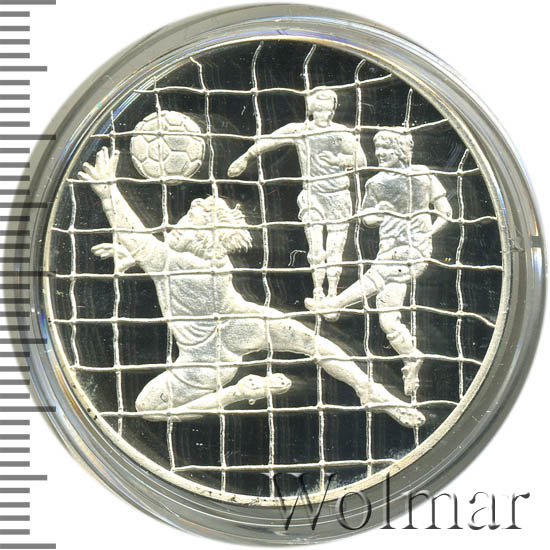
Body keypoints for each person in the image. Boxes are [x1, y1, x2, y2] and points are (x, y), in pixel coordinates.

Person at [77, 146, 425, 427]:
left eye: (188, 219)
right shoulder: (210, 259)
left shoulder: (172, 262)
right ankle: (370, 389)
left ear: (204, 231)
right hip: (244, 322)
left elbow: (139, 236)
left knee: (147, 409)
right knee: (316, 344)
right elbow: (162, 247)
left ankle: (239, 393)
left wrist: (108, 192)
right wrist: (134, 255)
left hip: (206, 359)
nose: (179, 223)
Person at [306, 128, 453, 396]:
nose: (380, 154)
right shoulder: (375, 183)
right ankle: (411, 357)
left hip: (413, 251)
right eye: (378, 150)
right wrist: (381, 214)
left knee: (377, 276)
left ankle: (333, 304)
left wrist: (426, 233)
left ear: (400, 149)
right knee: (388, 321)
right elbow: (366, 217)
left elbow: (446, 212)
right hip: (388, 249)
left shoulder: (422, 175)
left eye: (386, 149)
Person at [228, 88, 367, 315]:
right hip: (312, 195)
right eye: (318, 109)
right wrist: (246, 157)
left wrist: (338, 159)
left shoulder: (340, 133)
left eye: (327, 110)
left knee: (335, 248)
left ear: (333, 110)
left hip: (338, 197)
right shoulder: (300, 130)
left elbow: (360, 159)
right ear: (311, 110)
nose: (323, 114)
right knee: (315, 247)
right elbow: (270, 141)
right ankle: (317, 291)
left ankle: (333, 295)